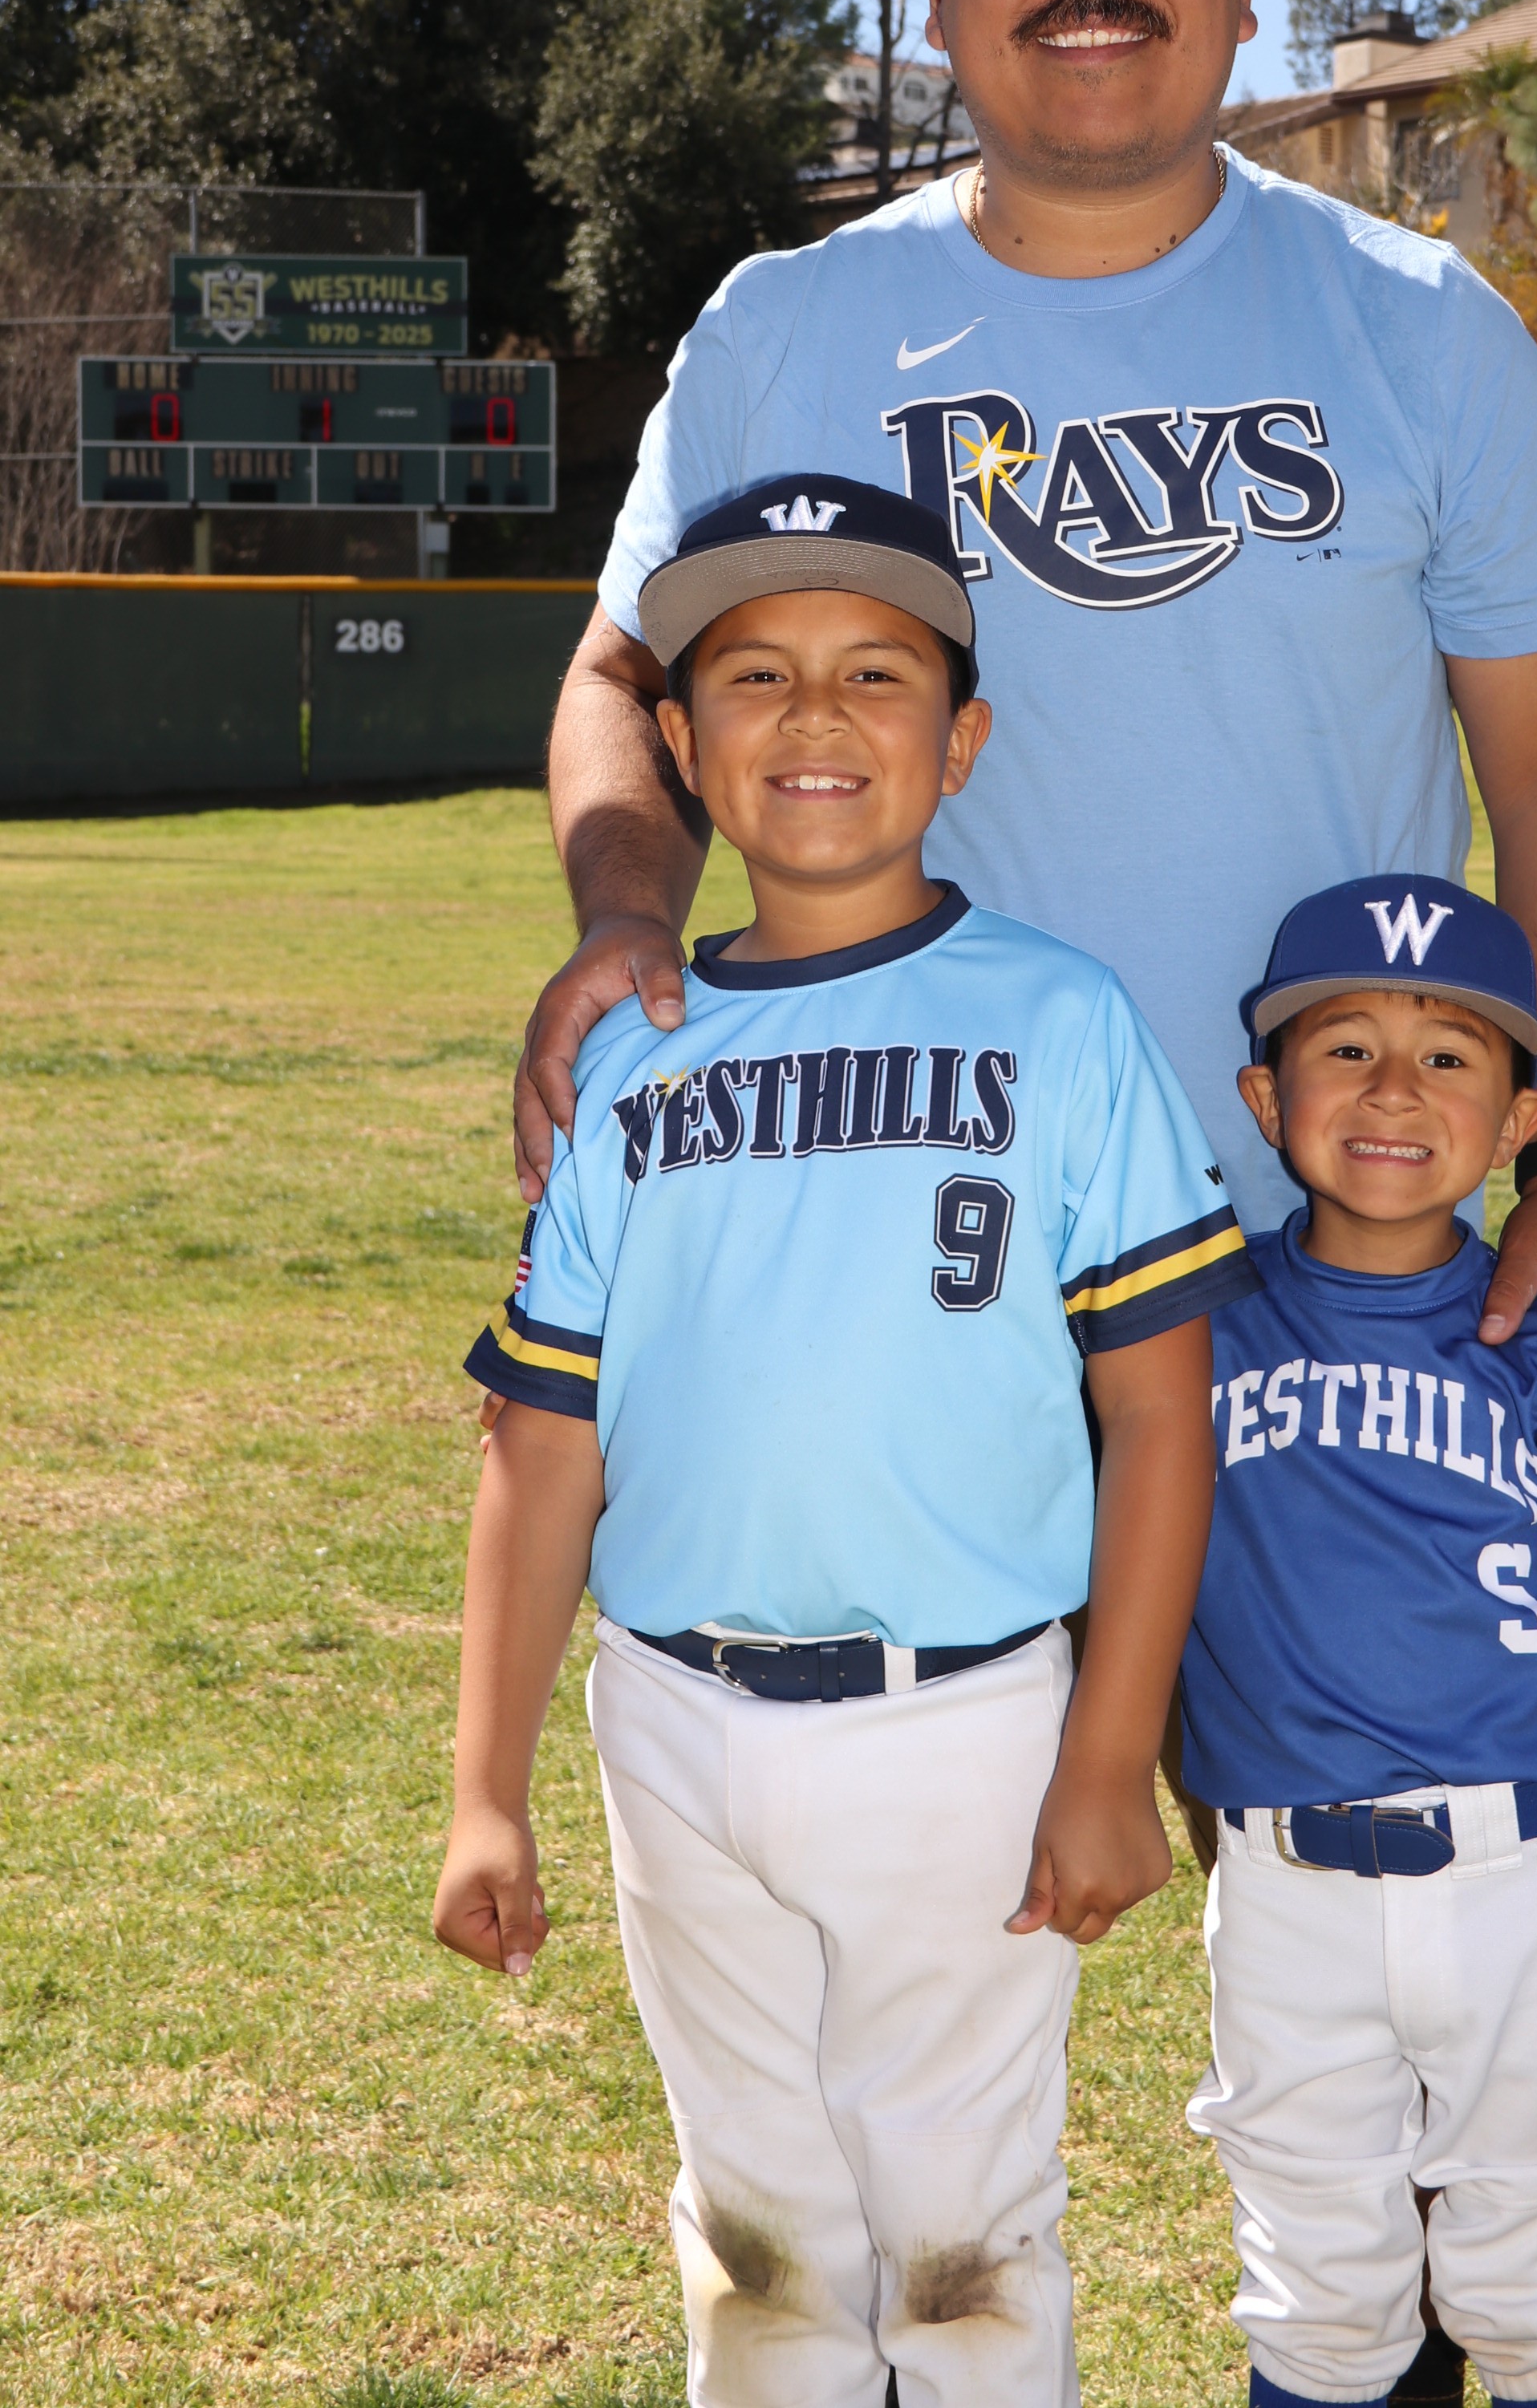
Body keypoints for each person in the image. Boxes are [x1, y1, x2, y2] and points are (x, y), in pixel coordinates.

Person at [516, 0, 1537, 1506]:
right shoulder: (779, 333)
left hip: (1327, 1269)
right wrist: (621, 910)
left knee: (1334, 1707)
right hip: (894, 1251)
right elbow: (617, 683)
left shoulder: (1427, 332)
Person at [432, 474, 1254, 2408]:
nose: (813, 715)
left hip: (960, 1721)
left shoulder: (1060, 1021)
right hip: (673, 1712)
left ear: (961, 742)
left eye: (875, 673)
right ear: (677, 742)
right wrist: (485, 1790)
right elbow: (540, 1446)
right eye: (755, 675)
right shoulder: (624, 1055)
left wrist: (1109, 1755)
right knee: (758, 2230)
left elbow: (1160, 1414)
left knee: (963, 2243)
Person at [1180, 874, 1537, 2408]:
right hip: (1283, 1888)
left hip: (1528, 1884)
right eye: (1345, 1050)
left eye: (1450, 1058)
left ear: (1522, 1118)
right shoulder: (1195, 1327)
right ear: (1264, 1097)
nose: (1395, 1091)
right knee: (1316, 2299)